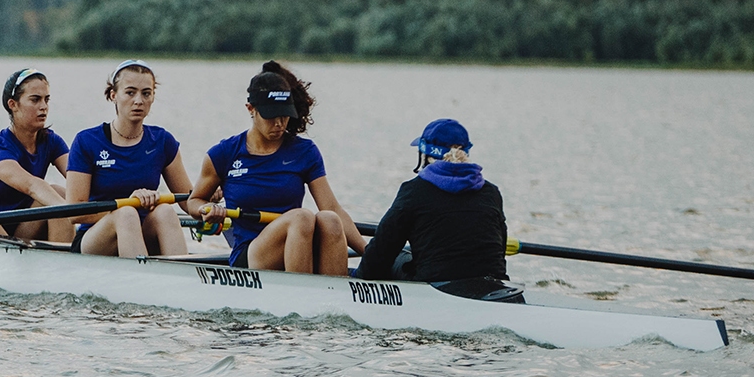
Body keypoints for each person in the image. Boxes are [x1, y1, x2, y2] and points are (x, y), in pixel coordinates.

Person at [188, 60, 366, 275]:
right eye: (271, 116)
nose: (280, 124)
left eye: (284, 115)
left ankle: (336, 298)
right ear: (251, 109)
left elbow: (333, 208)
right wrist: (206, 209)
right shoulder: (224, 153)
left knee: (329, 220)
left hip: (299, 243)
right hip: (252, 252)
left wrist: (371, 253)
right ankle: (299, 294)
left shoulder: (304, 151)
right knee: (301, 217)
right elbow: (194, 201)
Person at [355, 119, 517, 300]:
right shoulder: (491, 192)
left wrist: (355, 283)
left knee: (399, 256)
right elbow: (499, 249)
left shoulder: (413, 191)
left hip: (436, 292)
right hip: (496, 289)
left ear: (424, 155)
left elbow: (380, 254)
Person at [66, 60, 194, 257]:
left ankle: (183, 279)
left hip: (142, 231)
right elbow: (75, 212)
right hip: (95, 239)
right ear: (113, 95)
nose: (138, 101)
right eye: (130, 92)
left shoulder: (162, 141)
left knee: (166, 211)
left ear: (153, 97)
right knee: (126, 214)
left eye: (146, 93)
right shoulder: (87, 141)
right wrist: (129, 203)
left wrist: (209, 200)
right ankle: (141, 280)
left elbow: (189, 200)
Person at [0, 67, 73, 242]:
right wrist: (68, 209)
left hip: (20, 233)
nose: (43, 106)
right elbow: (31, 185)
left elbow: (81, 179)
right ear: (13, 105)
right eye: (35, 100)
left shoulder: (51, 142)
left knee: (59, 191)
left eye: (46, 99)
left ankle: (64, 261)